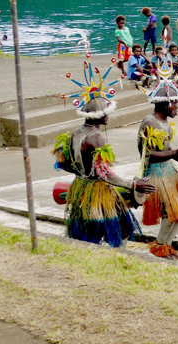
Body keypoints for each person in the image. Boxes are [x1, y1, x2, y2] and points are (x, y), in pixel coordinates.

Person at [54, 70, 155, 248]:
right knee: (121, 228)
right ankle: (117, 257)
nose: (108, 115)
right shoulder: (96, 138)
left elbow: (63, 163)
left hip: (80, 187)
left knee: (86, 229)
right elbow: (104, 174)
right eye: (106, 112)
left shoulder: (76, 133)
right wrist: (133, 184)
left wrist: (83, 174)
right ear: (99, 115)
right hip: (98, 191)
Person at [137, 78, 178, 259]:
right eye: (174, 102)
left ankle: (167, 247)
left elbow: (167, 149)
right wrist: (176, 152)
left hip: (168, 169)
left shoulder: (164, 121)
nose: (177, 106)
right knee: (172, 211)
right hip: (155, 172)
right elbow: (148, 155)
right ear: (165, 104)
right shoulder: (150, 122)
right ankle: (160, 247)